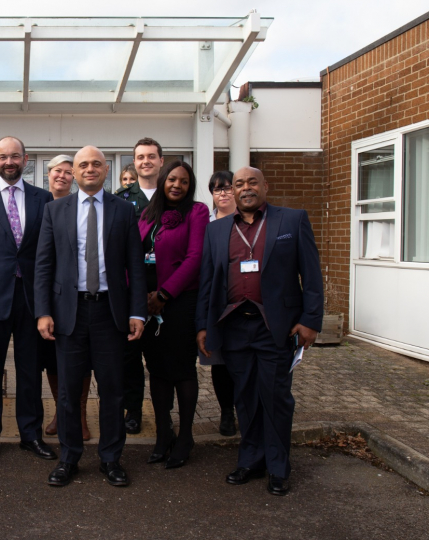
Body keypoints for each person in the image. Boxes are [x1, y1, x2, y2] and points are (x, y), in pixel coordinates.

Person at [196, 166, 323, 496]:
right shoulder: (218, 230)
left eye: (252, 182)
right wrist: (203, 326)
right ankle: (251, 459)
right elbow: (208, 283)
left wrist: (311, 320)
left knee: (276, 396)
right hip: (234, 325)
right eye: (239, 184)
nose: (246, 188)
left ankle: (278, 466)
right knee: (245, 397)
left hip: (275, 327)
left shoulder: (291, 221)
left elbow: (311, 275)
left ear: (265, 186)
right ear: (233, 192)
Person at [34, 145, 146, 487]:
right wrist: (43, 312)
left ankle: (111, 458)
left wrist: (137, 312)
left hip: (110, 312)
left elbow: (136, 268)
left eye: (96, 164)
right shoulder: (55, 211)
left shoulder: (124, 211)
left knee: (112, 390)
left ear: (107, 170)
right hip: (70, 312)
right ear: (74, 171)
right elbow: (43, 265)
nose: (90, 169)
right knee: (68, 392)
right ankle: (69, 458)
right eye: (83, 164)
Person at [0, 136, 57, 466]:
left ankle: (30, 435)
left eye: (15, 156)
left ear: (26, 158)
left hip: (31, 297)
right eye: (3, 157)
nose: (9, 162)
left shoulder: (43, 198)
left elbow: (49, 253)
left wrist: (50, 302)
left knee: (30, 371)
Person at [138, 161, 209, 469]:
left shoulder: (198, 212)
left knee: (182, 370)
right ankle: (164, 433)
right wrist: (141, 296)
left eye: (183, 180)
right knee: (156, 369)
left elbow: (195, 258)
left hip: (180, 302)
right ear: (163, 181)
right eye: (171, 179)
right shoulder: (147, 213)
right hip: (147, 303)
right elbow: (134, 254)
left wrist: (164, 295)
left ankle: (186, 437)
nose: (176, 185)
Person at [40, 154, 91, 441]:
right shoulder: (40, 204)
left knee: (82, 360)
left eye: (68, 172)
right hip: (48, 293)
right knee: (52, 358)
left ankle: (80, 414)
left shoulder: (83, 206)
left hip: (78, 295)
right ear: (48, 174)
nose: (62, 176)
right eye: (57, 171)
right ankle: (61, 411)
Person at [116, 137, 165, 435]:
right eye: (140, 157)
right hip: (130, 288)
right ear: (134, 163)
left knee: (162, 358)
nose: (145, 161)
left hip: (165, 288)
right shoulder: (121, 199)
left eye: (151, 156)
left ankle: (164, 413)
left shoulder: (174, 195)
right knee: (129, 357)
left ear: (161, 160)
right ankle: (132, 410)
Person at [200, 171, 238, 436]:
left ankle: (245, 408)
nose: (223, 193)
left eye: (227, 188)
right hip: (216, 301)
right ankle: (226, 411)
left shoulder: (249, 219)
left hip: (243, 300)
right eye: (216, 190)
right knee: (220, 362)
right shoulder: (207, 224)